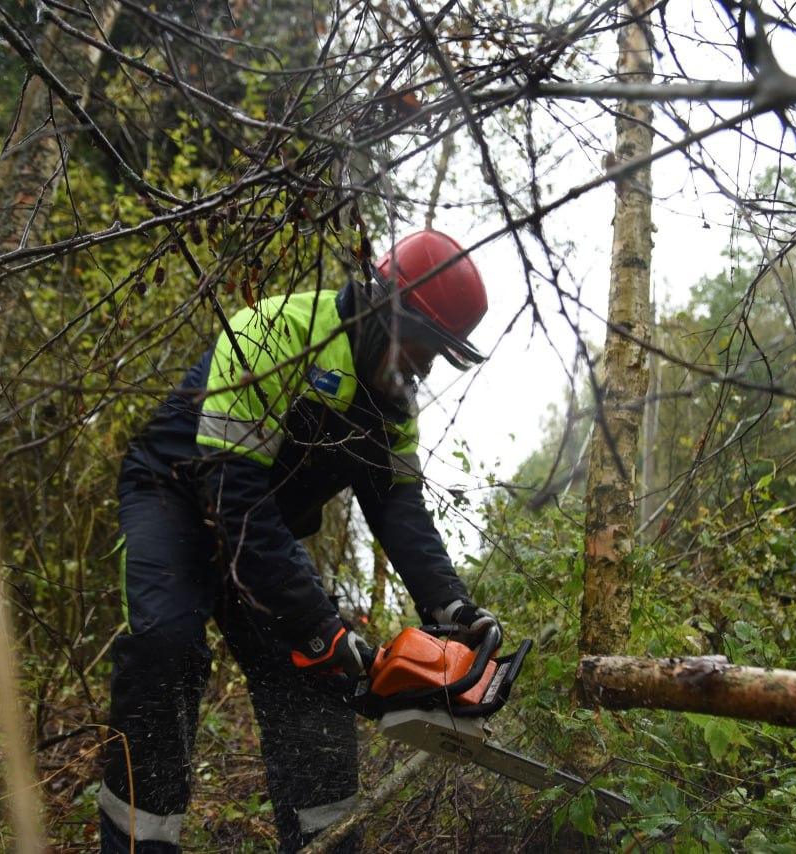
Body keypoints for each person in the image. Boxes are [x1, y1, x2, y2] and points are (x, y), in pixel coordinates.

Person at [99, 230, 501, 853]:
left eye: (436, 356)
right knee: (166, 646)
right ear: (383, 306)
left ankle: (326, 842)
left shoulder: (393, 404)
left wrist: (452, 609)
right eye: (422, 346)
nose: (423, 367)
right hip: (178, 496)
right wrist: (317, 620)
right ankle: (139, 843)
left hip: (262, 532)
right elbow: (232, 493)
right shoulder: (275, 332)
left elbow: (398, 507)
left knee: (314, 674)